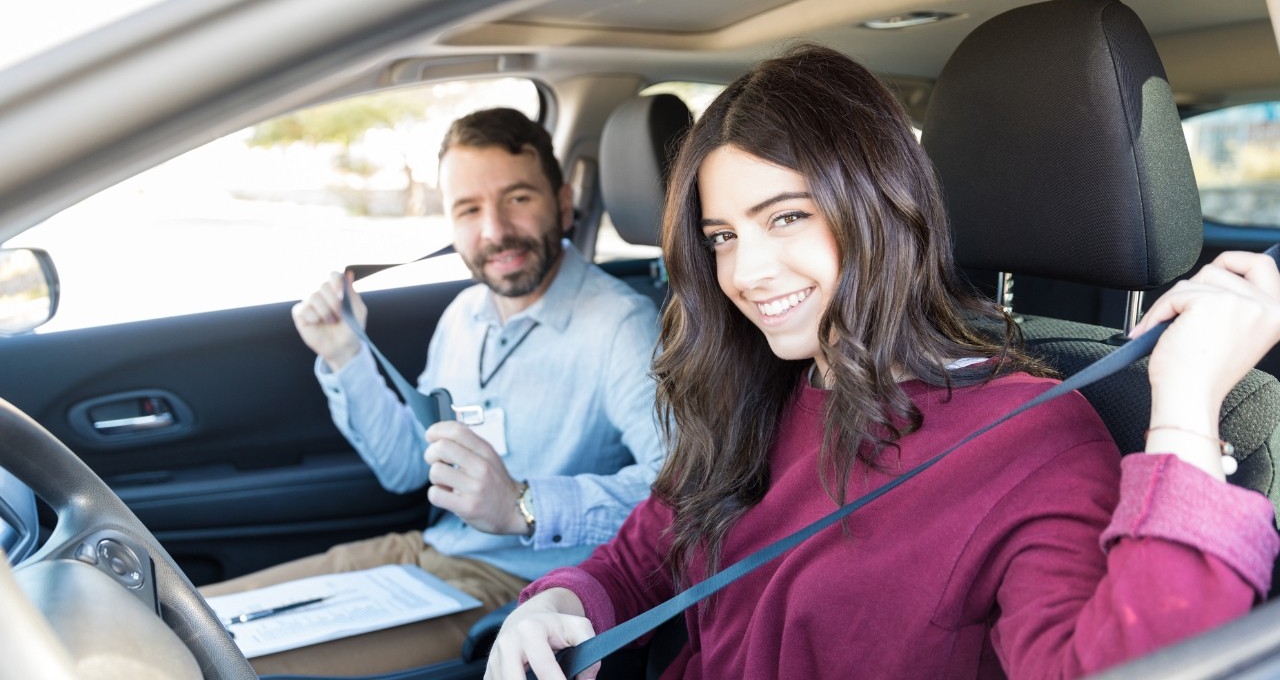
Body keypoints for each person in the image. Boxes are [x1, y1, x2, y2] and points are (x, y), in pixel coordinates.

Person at [484, 44, 1280, 680]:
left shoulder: (1027, 437)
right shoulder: (755, 388)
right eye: (724, 236)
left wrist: (1185, 405)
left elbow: (1127, 665)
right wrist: (556, 602)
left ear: (879, 207)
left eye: (787, 216)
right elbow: (640, 554)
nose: (746, 273)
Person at [202, 107, 665, 676]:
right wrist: (345, 355)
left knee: (225, 666)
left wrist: (523, 504)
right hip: (427, 554)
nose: (494, 230)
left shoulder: (621, 326)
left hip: (522, 585)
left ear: (564, 203)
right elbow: (405, 468)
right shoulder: (463, 315)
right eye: (469, 209)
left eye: (518, 198)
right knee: (188, 618)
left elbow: (678, 491)